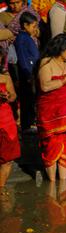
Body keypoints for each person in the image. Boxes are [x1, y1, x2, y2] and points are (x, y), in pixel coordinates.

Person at [36, 33, 66, 182]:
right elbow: (44, 86)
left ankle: (63, 183)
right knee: (52, 145)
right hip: (52, 115)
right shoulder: (46, 63)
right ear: (61, 49)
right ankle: (51, 184)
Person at [14, 12, 40, 134]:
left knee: (31, 100)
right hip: (27, 75)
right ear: (25, 25)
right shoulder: (22, 39)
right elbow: (23, 59)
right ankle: (27, 125)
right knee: (27, 100)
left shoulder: (26, 38)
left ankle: (30, 123)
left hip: (31, 74)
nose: (35, 29)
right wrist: (28, 75)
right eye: (33, 26)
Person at [0, 52, 20, 190]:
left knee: (7, 160)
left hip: (5, 120)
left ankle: (1, 188)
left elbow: (13, 95)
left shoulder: (5, 77)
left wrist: (7, 96)